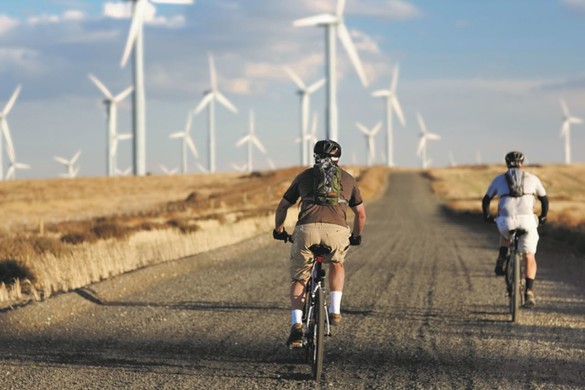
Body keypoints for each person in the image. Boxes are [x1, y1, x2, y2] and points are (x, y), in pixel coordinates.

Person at [273, 140, 366, 347]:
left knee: (300, 277)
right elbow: (360, 214)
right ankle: (335, 310)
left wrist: (279, 229)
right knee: (337, 264)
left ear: (315, 156)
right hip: (337, 232)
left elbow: (282, 207)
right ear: (338, 158)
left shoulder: (305, 176)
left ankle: (296, 326)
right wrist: (356, 236)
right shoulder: (348, 179)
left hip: (307, 230)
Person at [482, 151, 548, 308]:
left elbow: (486, 200)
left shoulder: (499, 179)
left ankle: (502, 257)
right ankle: (529, 292)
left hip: (506, 221)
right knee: (529, 255)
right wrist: (543, 216)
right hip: (527, 222)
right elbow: (544, 199)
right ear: (523, 164)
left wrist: (487, 217)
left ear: (507, 164)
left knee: (504, 231)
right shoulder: (532, 178)